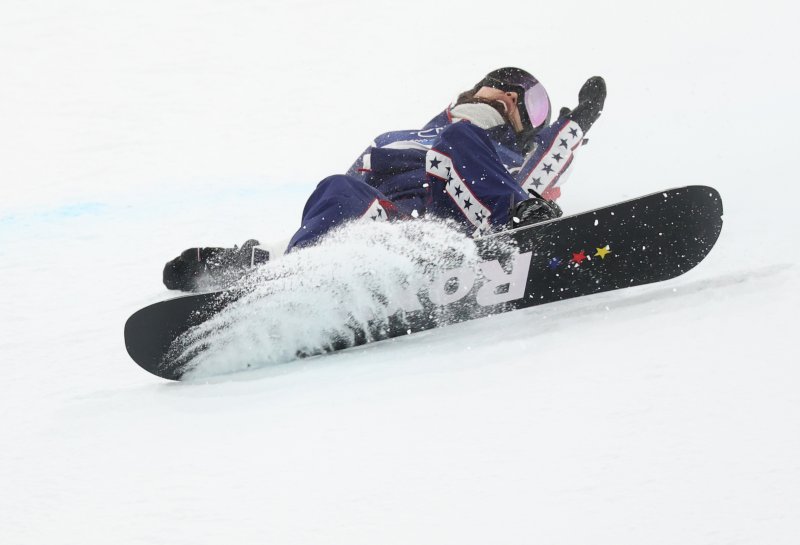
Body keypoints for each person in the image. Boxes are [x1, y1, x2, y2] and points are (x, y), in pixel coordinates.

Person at [163, 67, 606, 291]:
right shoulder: (393, 141)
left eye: (528, 101)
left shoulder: (501, 151)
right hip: (401, 236)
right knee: (337, 185)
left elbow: (544, 165)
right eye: (502, 88)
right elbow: (338, 210)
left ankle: (518, 227)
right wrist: (253, 257)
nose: (510, 96)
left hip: (469, 222)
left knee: (457, 139)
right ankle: (288, 281)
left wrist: (576, 123)